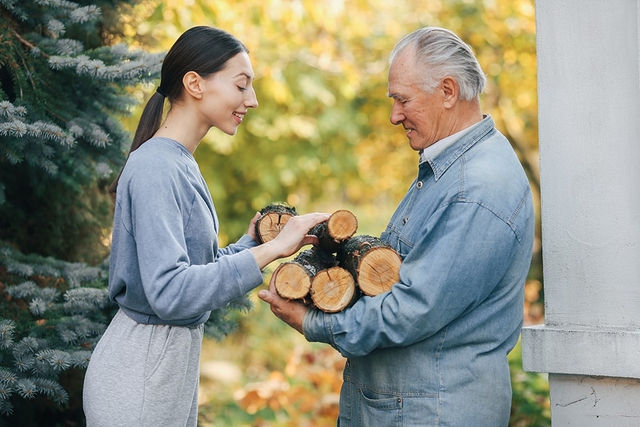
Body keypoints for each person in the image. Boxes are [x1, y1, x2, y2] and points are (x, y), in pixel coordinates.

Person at [259, 26, 535, 426]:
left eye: (402, 100)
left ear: (447, 91)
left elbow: (412, 308)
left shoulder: (475, 188)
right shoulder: (450, 167)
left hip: (433, 413)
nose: (394, 116)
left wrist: (315, 323)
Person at [82, 26, 329, 427]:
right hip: (141, 375)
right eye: (241, 85)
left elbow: (196, 271)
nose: (253, 100)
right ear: (194, 84)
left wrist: (251, 241)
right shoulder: (155, 167)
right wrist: (271, 249)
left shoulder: (178, 162)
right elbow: (169, 292)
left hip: (164, 371)